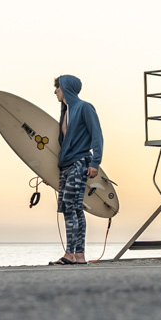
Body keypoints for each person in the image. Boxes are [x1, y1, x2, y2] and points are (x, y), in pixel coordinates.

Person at [51, 74, 104, 265]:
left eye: (57, 87)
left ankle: (70, 254)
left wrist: (95, 162)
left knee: (70, 207)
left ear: (65, 87)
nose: (55, 91)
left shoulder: (84, 108)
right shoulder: (66, 112)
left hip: (79, 163)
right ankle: (79, 255)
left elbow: (97, 135)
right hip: (66, 165)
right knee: (74, 209)